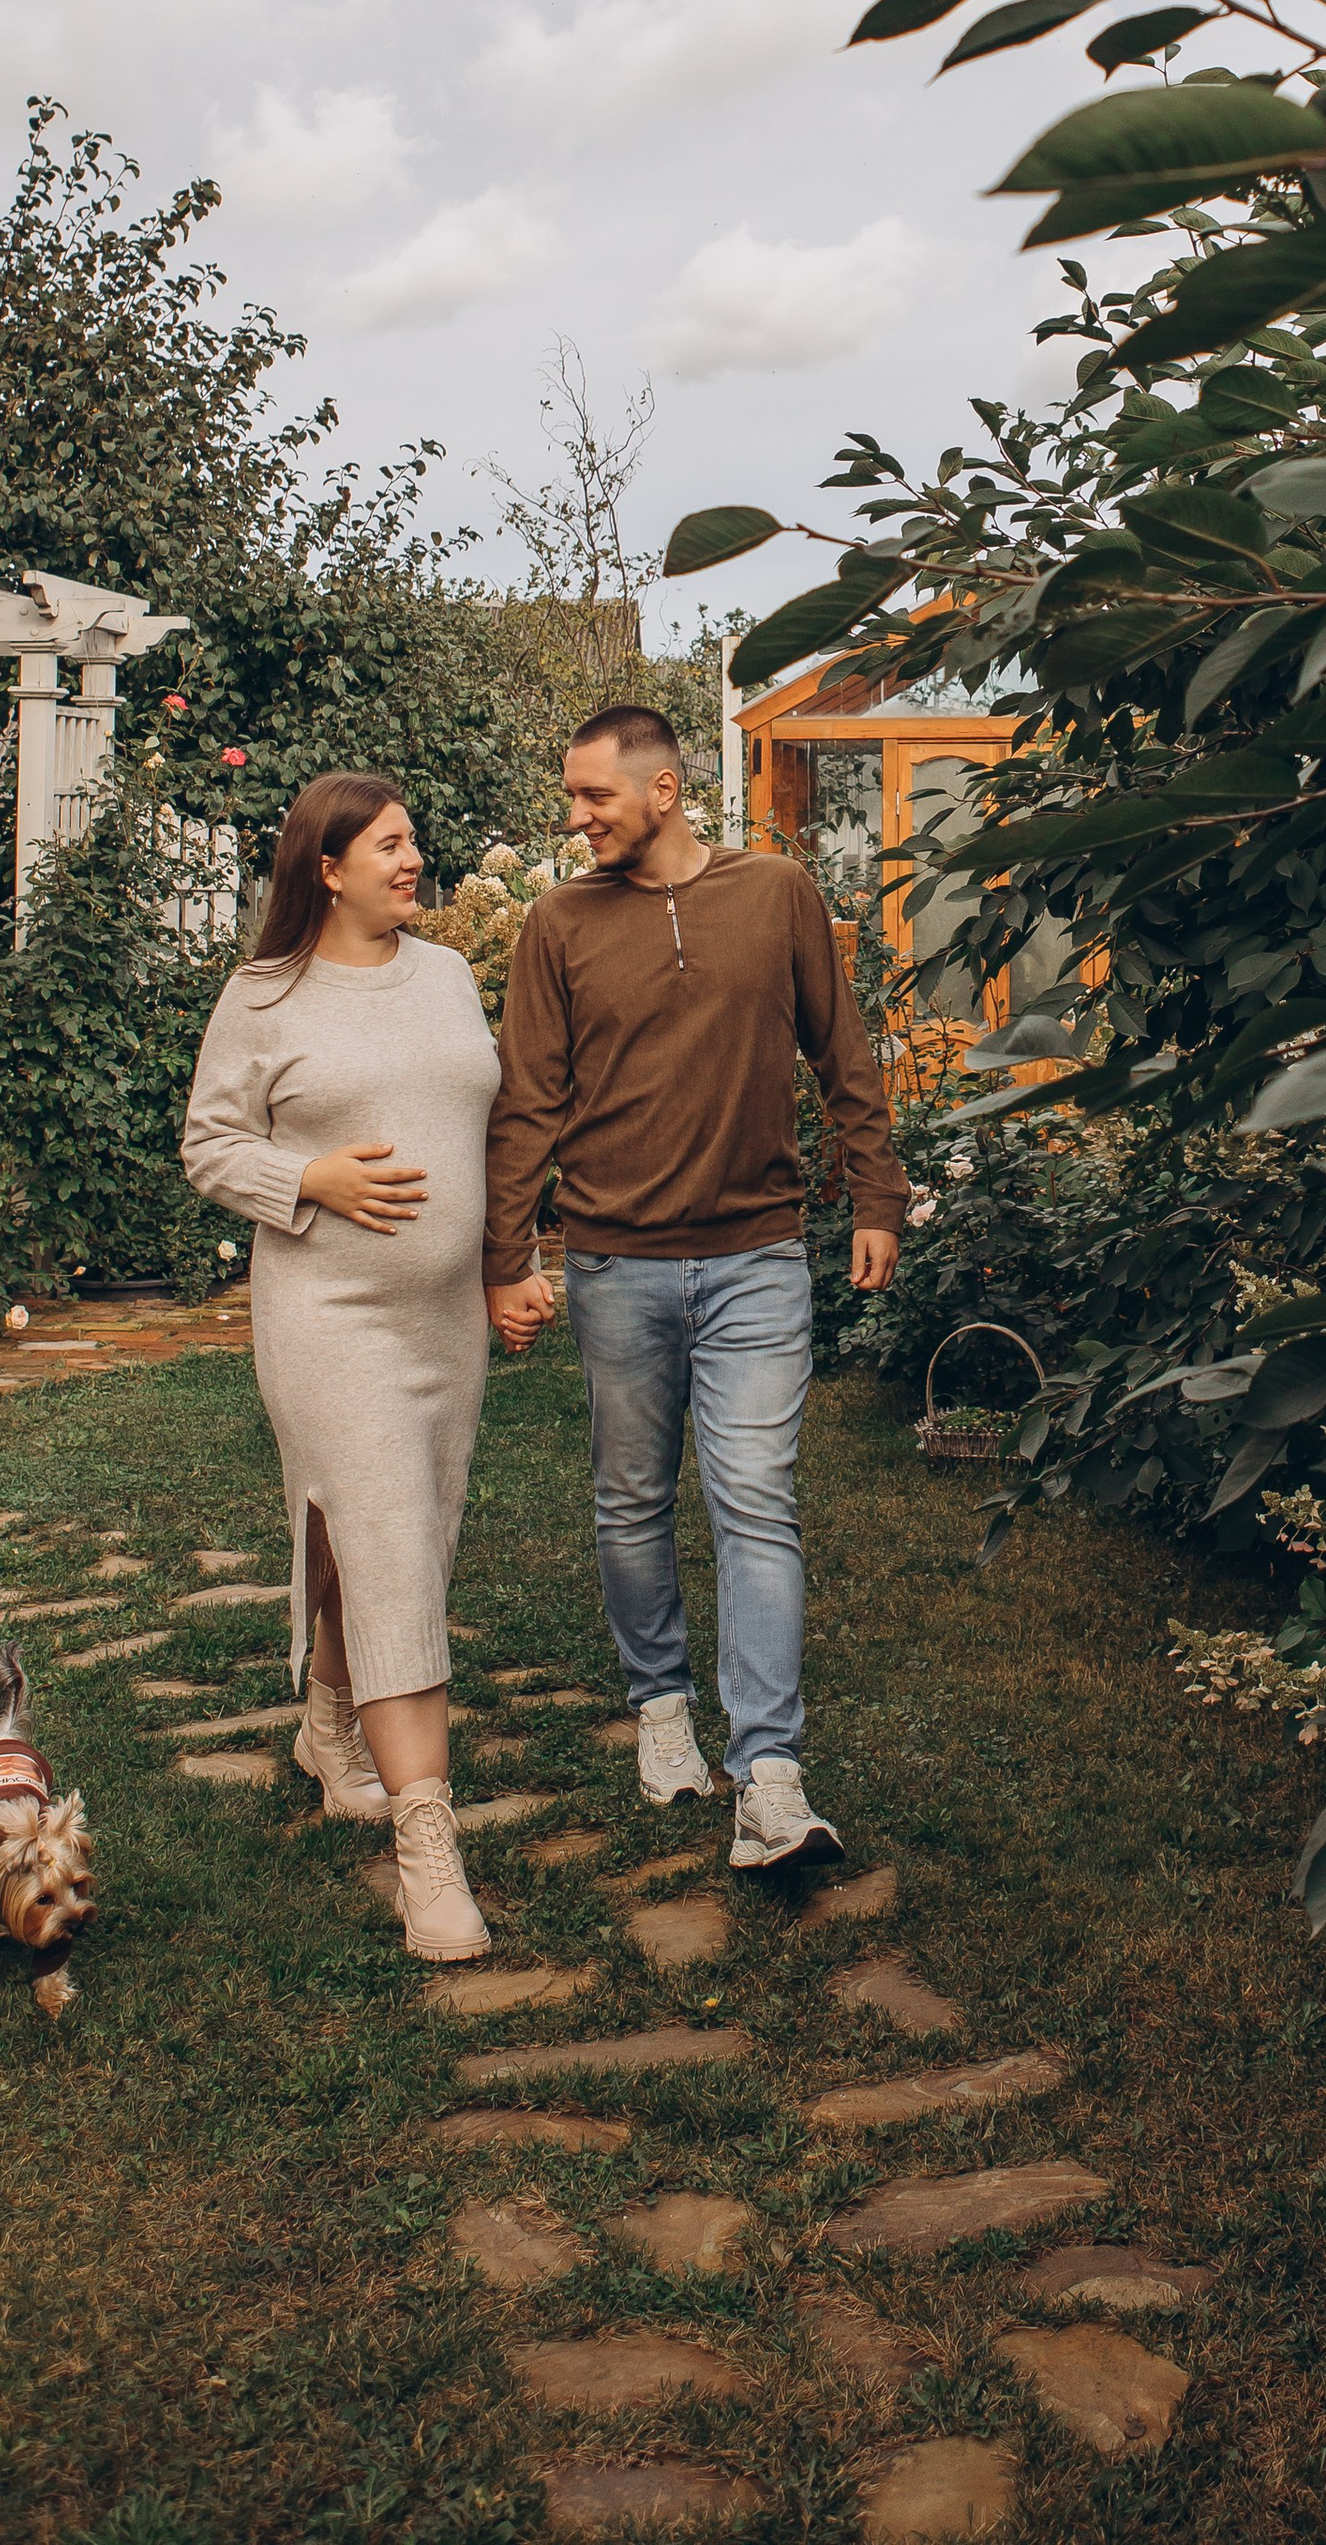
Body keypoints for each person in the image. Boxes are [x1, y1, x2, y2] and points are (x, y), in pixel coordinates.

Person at [483, 702, 904, 1865]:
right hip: (615, 1262)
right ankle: (661, 1706)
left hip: (756, 1257)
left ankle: (769, 1774)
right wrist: (506, 1257)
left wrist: (877, 1196)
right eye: (572, 798)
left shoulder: (774, 895)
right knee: (631, 1499)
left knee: (756, 1498)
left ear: (663, 789)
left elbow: (842, 1052)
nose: (577, 818)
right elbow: (528, 1100)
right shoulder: (559, 925)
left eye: (594, 795)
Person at [180, 769, 505, 1963]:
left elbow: (483, 1124)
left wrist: (506, 1261)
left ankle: (328, 1720)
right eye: (389, 845)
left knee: (386, 1535)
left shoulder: (449, 975)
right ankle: (429, 1849)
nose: (413, 861)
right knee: (392, 1544)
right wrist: (306, 1178)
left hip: (444, 1325)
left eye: (413, 840)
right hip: (328, 1318)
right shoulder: (264, 995)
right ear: (325, 870)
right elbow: (210, 1145)